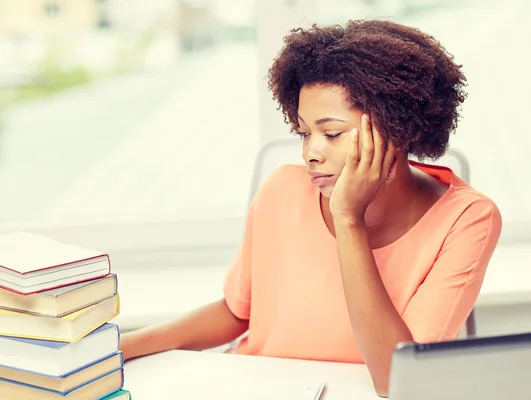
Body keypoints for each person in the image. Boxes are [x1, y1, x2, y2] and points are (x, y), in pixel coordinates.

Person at [120, 19, 502, 397]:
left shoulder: (467, 219)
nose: (310, 153)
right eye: (304, 132)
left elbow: (397, 378)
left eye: (332, 133)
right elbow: (239, 313)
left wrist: (348, 218)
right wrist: (123, 348)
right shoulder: (283, 190)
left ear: (396, 130)